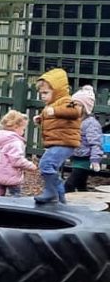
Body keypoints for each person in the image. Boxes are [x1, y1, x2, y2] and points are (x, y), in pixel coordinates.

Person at [31, 68, 83, 205]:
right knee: (50, 167)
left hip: (65, 142)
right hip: (58, 142)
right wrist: (40, 119)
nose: (42, 96)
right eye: (41, 94)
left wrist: (54, 111)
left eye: (45, 93)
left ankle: (52, 192)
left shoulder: (67, 100)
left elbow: (75, 111)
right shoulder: (52, 104)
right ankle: (60, 199)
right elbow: (54, 120)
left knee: (46, 164)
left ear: (57, 91)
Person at [64, 84, 104, 192]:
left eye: (78, 105)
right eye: (73, 104)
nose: (74, 107)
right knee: (81, 185)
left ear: (85, 108)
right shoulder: (74, 121)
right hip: (76, 158)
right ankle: (84, 200)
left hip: (85, 160)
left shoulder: (91, 124)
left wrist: (95, 160)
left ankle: (64, 200)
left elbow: (96, 143)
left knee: (69, 185)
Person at [0, 110, 37, 197]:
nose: (23, 132)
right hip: (10, 175)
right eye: (23, 129)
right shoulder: (15, 142)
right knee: (15, 196)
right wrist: (30, 166)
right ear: (16, 127)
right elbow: (17, 160)